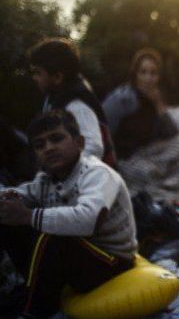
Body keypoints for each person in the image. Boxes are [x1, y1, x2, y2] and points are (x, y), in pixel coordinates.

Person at [0, 110, 138, 317]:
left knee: (54, 238)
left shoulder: (97, 173)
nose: (49, 148)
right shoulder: (47, 180)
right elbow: (19, 194)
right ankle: (25, 285)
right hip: (81, 256)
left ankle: (35, 312)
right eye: (40, 145)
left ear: (79, 142)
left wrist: (28, 216)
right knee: (7, 216)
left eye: (56, 138)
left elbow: (88, 220)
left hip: (112, 260)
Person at [28, 38, 116, 166]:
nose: (34, 78)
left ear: (57, 77)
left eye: (38, 73)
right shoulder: (53, 97)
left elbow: (94, 147)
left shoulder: (76, 105)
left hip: (95, 180)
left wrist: (68, 173)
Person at [102, 48, 179, 160]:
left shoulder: (154, 99)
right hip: (124, 160)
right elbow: (104, 131)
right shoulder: (123, 98)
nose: (148, 78)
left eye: (153, 73)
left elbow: (173, 135)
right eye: (143, 72)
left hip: (149, 154)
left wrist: (158, 104)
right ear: (135, 74)